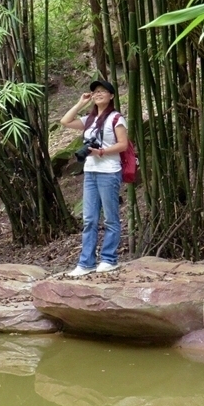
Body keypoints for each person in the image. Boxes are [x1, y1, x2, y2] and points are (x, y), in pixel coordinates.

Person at [59, 79, 129, 275]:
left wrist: (102, 152)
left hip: (109, 171)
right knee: (89, 219)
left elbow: (123, 144)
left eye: (102, 91)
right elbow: (65, 121)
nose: (98, 94)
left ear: (112, 96)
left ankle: (109, 259)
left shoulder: (116, 118)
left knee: (110, 218)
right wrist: (81, 103)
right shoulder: (89, 120)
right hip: (90, 172)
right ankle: (86, 263)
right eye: (95, 91)